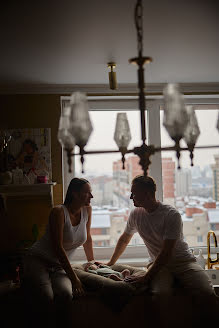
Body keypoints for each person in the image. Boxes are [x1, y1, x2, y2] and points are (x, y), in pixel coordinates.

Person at [107, 175, 219, 326]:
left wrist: (146, 278)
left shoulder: (171, 214)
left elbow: (166, 252)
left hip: (183, 262)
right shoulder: (136, 214)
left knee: (207, 293)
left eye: (134, 193)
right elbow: (124, 239)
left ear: (146, 194)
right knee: (160, 295)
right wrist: (110, 263)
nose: (131, 197)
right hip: (159, 265)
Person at [23, 177, 95, 327]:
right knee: (46, 296)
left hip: (58, 266)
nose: (91, 196)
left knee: (66, 294)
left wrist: (91, 262)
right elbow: (58, 247)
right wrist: (74, 278)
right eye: (87, 193)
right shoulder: (58, 212)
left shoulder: (87, 210)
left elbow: (87, 239)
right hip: (38, 259)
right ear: (75, 194)